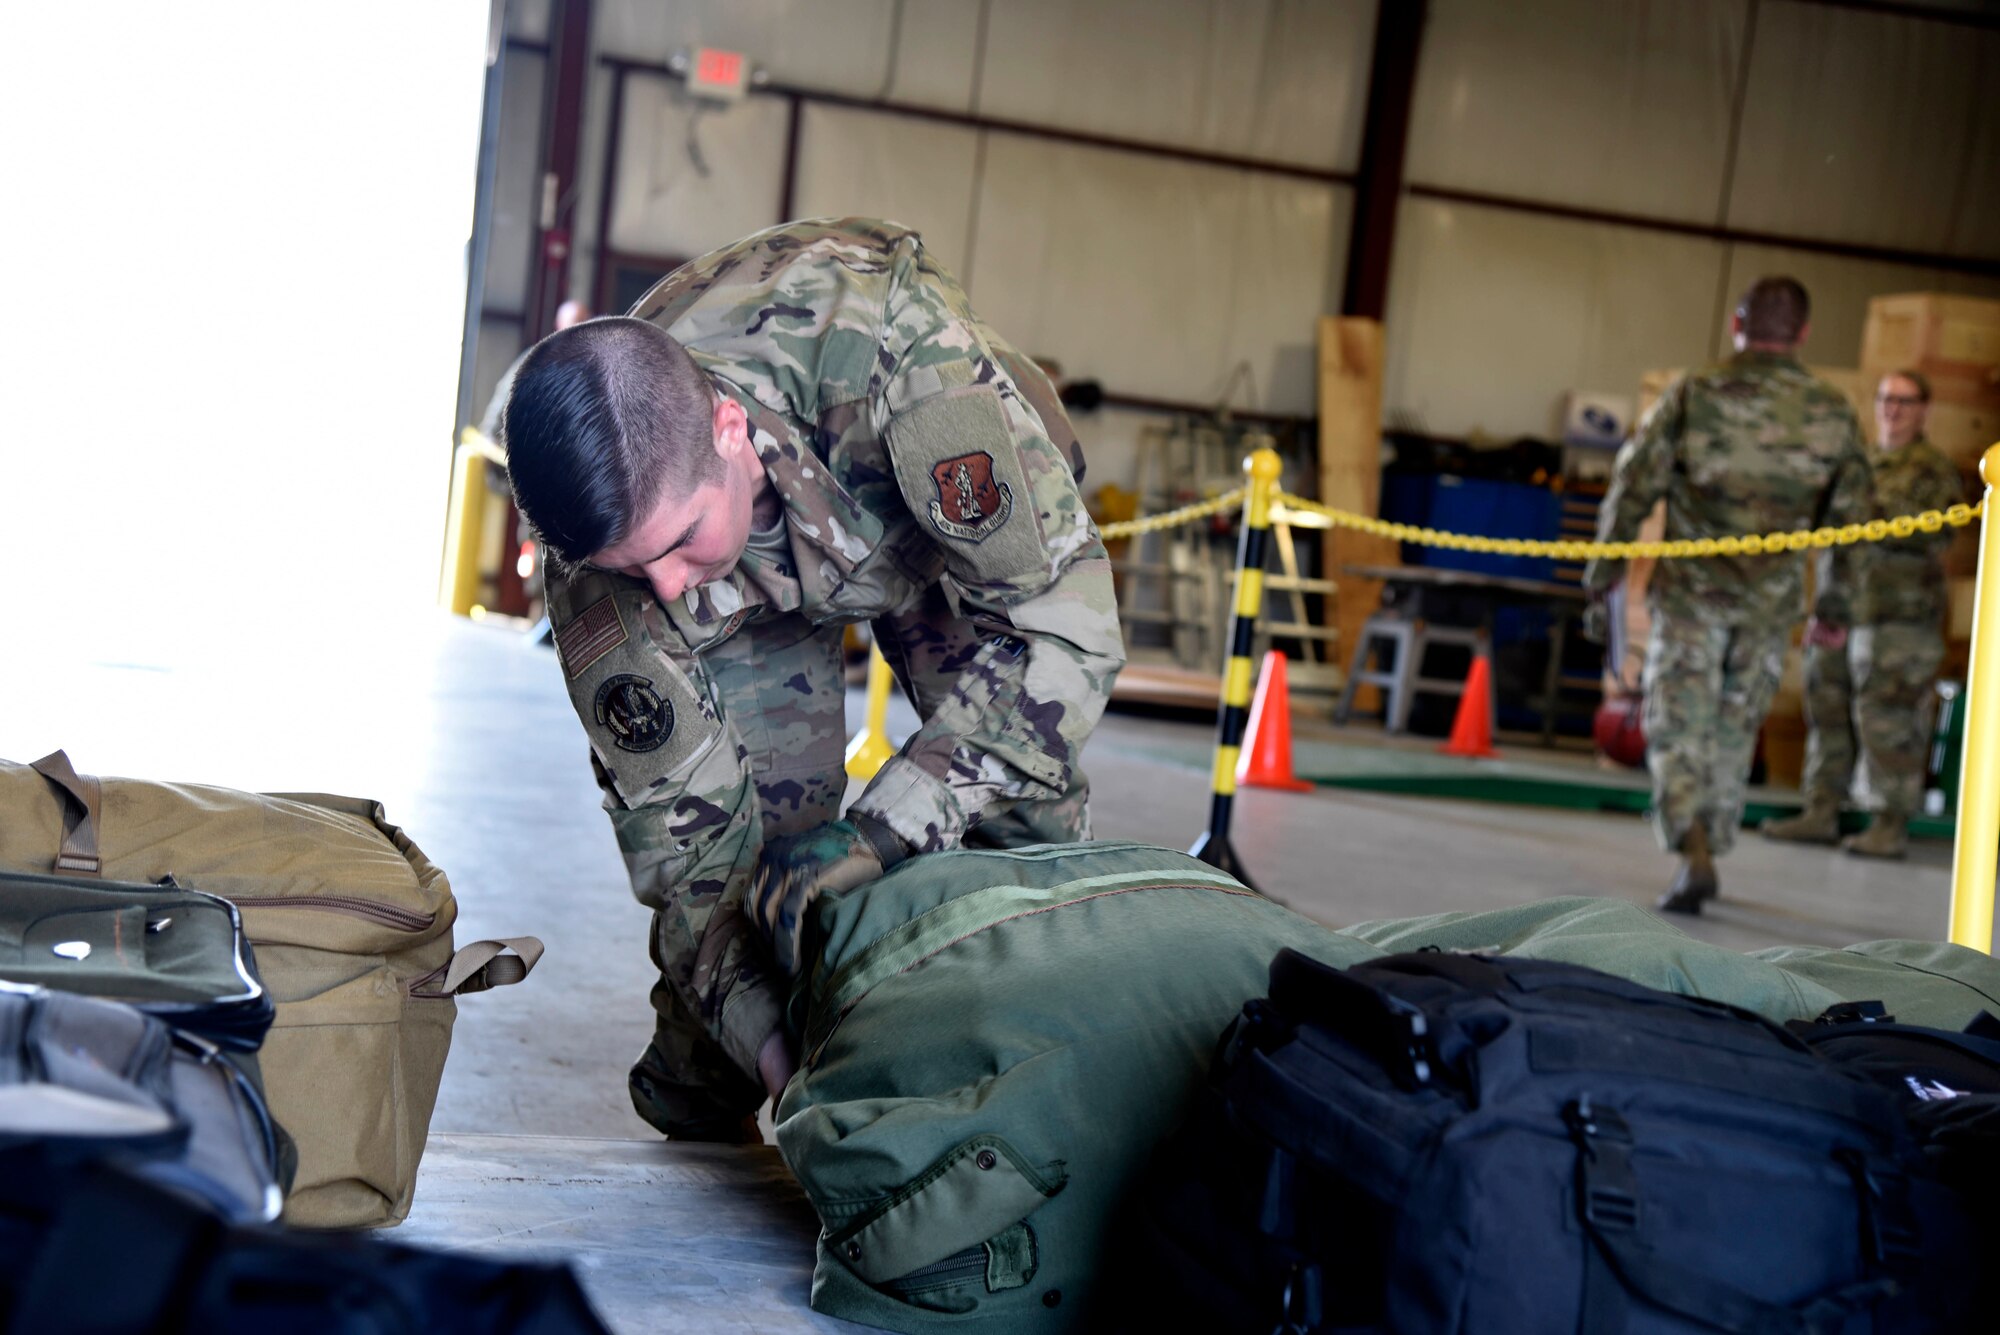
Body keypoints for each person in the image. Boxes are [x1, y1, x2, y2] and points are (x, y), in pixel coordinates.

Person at [501, 218, 1123, 1141]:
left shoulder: (910, 372)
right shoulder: (605, 562)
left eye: (677, 543)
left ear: (727, 429)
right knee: (763, 889)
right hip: (761, 562)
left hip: (922, 529)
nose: (664, 586)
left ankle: (1039, 1093)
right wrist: (790, 1067)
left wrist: (885, 826)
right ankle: (710, 1087)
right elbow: (689, 856)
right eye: (636, 570)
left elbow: (1063, 634)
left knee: (1019, 818)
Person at [1584, 277, 1870, 915]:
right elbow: (1854, 522)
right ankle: (1711, 839)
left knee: (1679, 722)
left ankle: (1691, 849)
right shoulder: (1832, 411)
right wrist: (1834, 607)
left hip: (1691, 598)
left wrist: (1603, 569)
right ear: (1802, 333)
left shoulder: (1696, 392)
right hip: (1769, 606)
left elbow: (1633, 485)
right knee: (1736, 728)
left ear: (1738, 325)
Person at [1763, 370, 1961, 859]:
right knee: (1826, 709)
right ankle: (1821, 810)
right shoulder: (1860, 463)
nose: (1893, 409)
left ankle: (1888, 823)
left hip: (1897, 619)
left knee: (1886, 719)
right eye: (1886, 399)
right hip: (1841, 611)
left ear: (1923, 410)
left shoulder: (1931, 470)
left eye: (1905, 401)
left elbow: (1935, 533)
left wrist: (1863, 509)